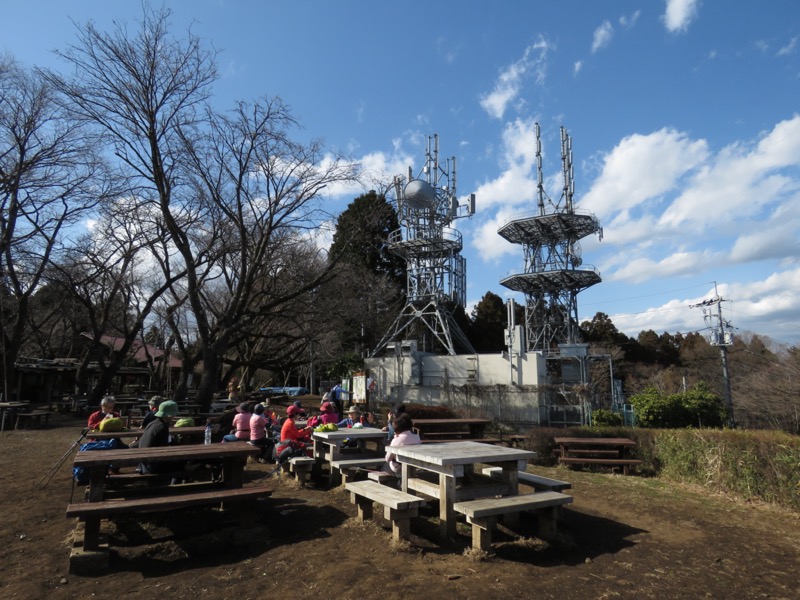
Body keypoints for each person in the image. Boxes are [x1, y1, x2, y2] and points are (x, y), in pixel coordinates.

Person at [138, 400, 180, 474]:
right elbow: (164, 449)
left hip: (143, 464)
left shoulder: (153, 423)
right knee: (180, 464)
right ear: (169, 415)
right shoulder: (162, 427)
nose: (174, 416)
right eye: (174, 414)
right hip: (153, 466)